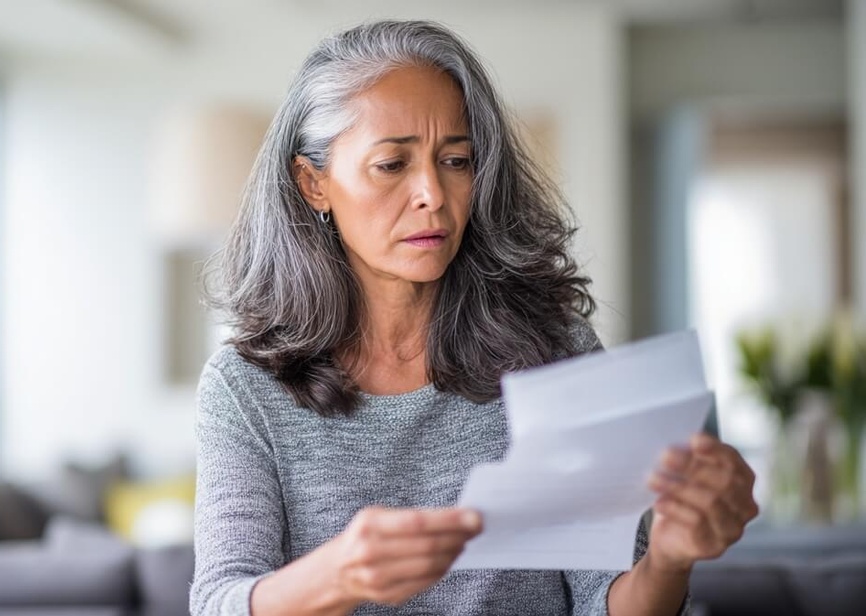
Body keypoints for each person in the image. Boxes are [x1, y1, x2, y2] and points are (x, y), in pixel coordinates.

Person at [191, 20, 758, 616]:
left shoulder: (553, 349)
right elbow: (218, 602)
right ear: (314, 184)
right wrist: (339, 575)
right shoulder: (246, 387)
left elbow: (603, 602)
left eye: (456, 160)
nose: (433, 193)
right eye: (392, 165)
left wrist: (668, 558)